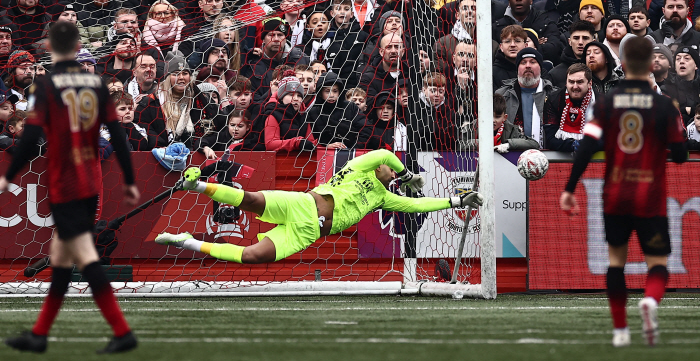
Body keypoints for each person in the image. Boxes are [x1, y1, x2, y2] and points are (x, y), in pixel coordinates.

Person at [0, 21, 140, 354]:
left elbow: (32, 135)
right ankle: (39, 335)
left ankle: (122, 332)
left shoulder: (48, 85)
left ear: (51, 46)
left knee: (85, 258)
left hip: (64, 180)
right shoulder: (95, 82)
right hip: (89, 179)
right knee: (62, 260)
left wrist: (10, 175)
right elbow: (118, 133)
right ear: (78, 46)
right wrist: (131, 178)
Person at [559, 36, 687, 348]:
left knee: (616, 262)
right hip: (651, 199)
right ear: (651, 65)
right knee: (658, 264)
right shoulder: (664, 106)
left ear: (623, 64)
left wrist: (570, 188)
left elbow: (587, 147)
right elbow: (682, 154)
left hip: (615, 195)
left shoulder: (605, 103)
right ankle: (651, 302)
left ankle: (620, 331)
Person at [155, 148, 483, 263]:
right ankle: (195, 184)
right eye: (389, 167)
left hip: (309, 232)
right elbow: (384, 155)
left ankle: (188, 241)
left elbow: (419, 206)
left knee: (253, 256)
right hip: (302, 205)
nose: (388, 168)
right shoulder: (360, 166)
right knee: (252, 201)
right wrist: (408, 173)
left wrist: (455, 199)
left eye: (392, 171)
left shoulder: (384, 196)